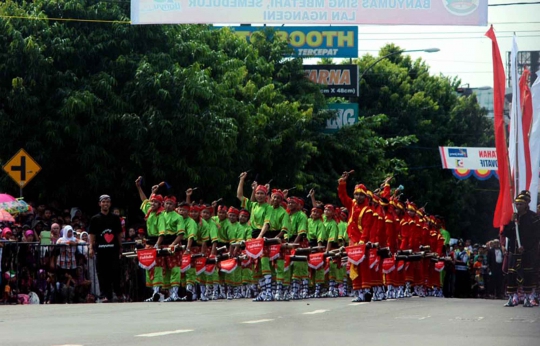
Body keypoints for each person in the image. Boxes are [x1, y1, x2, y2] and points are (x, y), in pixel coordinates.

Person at [502, 191, 540, 307]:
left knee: (528, 274)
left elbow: (536, 236)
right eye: (517, 204)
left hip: (528, 252)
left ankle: (528, 297)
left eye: (521, 204)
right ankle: (512, 297)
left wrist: (526, 247)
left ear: (527, 204)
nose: (518, 207)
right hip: (514, 252)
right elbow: (506, 233)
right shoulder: (514, 217)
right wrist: (512, 223)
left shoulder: (534, 218)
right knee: (512, 274)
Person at [88, 195, 123, 303]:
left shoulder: (115, 218)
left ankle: (118, 294)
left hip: (113, 250)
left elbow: (118, 234)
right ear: (100, 204)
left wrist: (121, 246)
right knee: (103, 274)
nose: (105, 204)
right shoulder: (95, 219)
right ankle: (105, 295)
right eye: (103, 202)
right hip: (101, 250)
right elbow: (92, 234)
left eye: (107, 202)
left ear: (110, 204)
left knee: (116, 272)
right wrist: (91, 247)